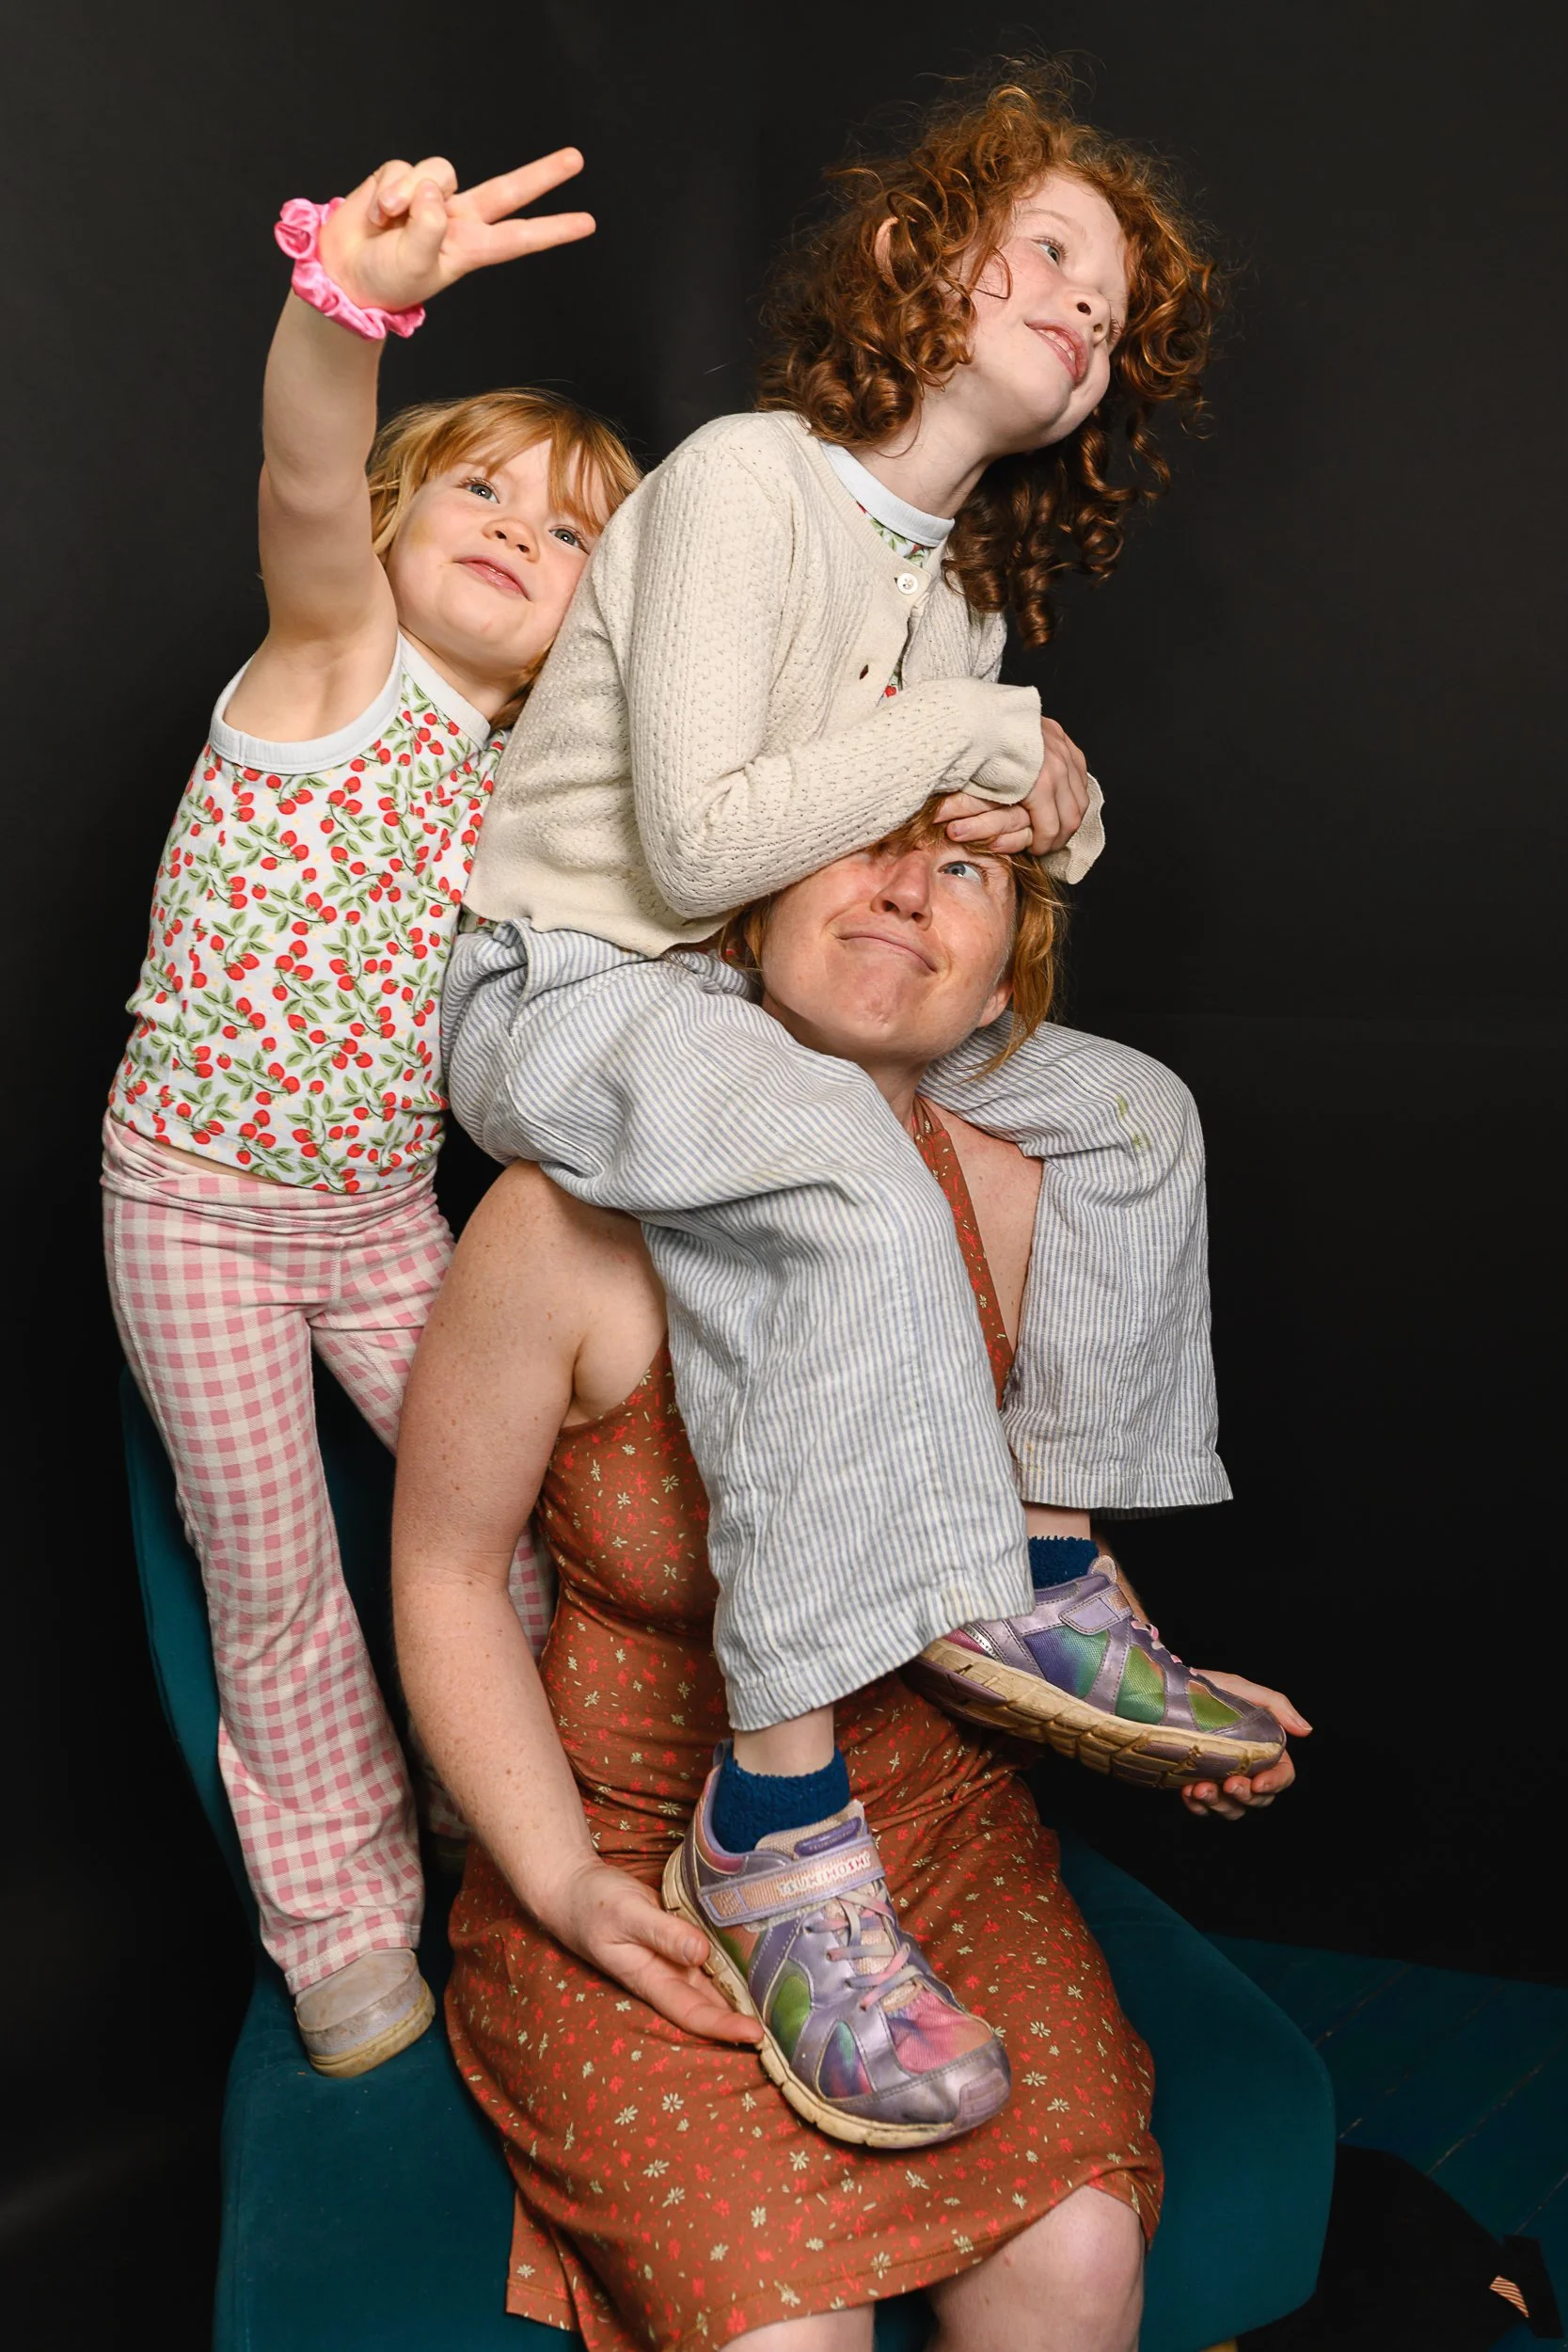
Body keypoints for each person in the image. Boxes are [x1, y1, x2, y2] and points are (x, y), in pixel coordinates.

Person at [437, 68, 1263, 2072]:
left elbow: (946, 831)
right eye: (1049, 251)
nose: (1082, 305)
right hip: (571, 981)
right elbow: (713, 844)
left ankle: (1047, 1558)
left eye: (1112, 305)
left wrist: (1032, 790)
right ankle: (779, 1817)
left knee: (1135, 1115)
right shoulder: (742, 480)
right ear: (918, 253)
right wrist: (971, 742)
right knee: (847, 1168)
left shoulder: (955, 595)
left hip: (731, 1001)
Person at [395, 807, 1310, 2347]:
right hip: (636, 1855)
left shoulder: (1037, 1190)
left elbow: (1027, 1566)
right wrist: (560, 1884)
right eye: (859, 846)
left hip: (937, 1840)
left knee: (1075, 2266)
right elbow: (443, 1579)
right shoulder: (561, 1223)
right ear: (742, 911)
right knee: (786, 2336)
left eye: (963, 870)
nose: (905, 889)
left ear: (998, 978)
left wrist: (1163, 1701)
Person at [102, 146, 640, 2076]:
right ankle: (340, 1933)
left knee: (506, 1541)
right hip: (196, 1208)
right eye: (479, 487)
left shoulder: (534, 798)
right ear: (405, 525)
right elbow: (304, 473)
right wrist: (345, 302)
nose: (512, 528)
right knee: (279, 1579)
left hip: (378, 1212)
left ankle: (492, 1825)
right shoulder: (338, 659)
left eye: (569, 529)